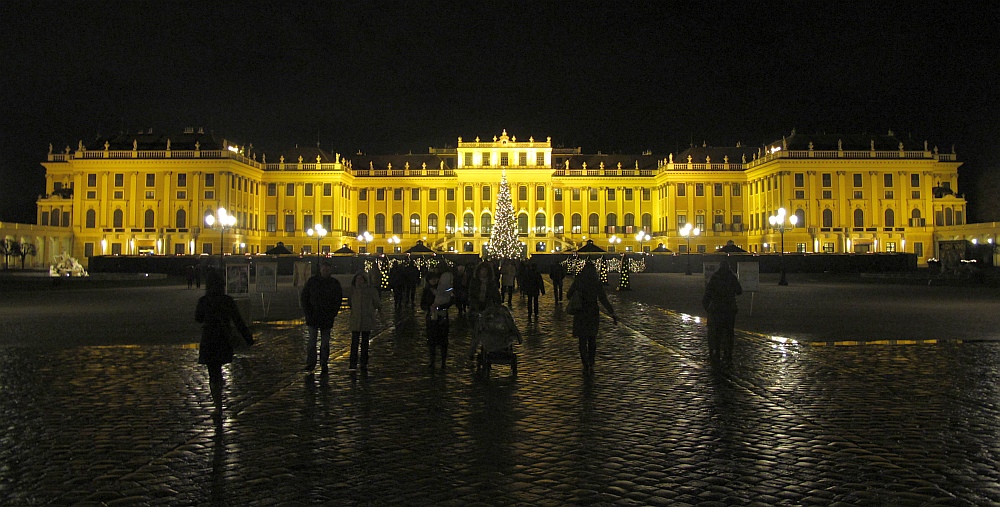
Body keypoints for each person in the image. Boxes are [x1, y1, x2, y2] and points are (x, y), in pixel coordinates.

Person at [196, 269, 253, 420]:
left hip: (209, 338)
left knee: (212, 372)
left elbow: (198, 318)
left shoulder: (204, 300)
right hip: (223, 338)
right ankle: (219, 397)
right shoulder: (227, 300)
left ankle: (217, 404)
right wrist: (248, 339)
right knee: (219, 368)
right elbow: (238, 321)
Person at [566, 261, 617, 375]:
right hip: (592, 311)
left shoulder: (579, 281)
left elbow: (568, 295)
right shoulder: (596, 282)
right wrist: (612, 312)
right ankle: (591, 361)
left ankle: (585, 362)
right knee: (592, 338)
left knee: (582, 340)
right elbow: (603, 298)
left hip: (580, 311)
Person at [300, 259, 343, 372]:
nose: (325, 271)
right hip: (313, 317)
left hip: (327, 318)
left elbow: (337, 300)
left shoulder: (334, 283)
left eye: (327, 269)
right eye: (323, 269)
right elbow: (304, 298)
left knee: (325, 343)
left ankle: (324, 362)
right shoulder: (312, 281)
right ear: (320, 269)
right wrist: (308, 313)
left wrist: (333, 314)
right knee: (311, 343)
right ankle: (311, 363)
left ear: (330, 270)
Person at [702, 261, 743, 366]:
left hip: (717, 309)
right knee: (729, 332)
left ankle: (716, 351)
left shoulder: (715, 277)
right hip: (730, 309)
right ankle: (728, 352)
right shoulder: (732, 277)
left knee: (717, 332)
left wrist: (707, 307)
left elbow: (708, 293)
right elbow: (739, 291)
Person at [420, 268, 453, 369]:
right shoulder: (427, 291)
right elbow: (423, 304)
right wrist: (429, 307)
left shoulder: (443, 289)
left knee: (443, 340)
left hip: (442, 317)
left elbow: (450, 301)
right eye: (432, 279)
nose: (434, 281)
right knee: (432, 340)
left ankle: (443, 361)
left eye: (435, 279)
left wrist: (440, 307)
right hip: (431, 317)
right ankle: (432, 361)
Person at [348, 271, 381, 371]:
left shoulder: (370, 291)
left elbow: (377, 303)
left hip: (367, 318)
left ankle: (364, 362)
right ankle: (353, 362)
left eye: (361, 279)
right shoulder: (353, 291)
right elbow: (350, 304)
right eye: (358, 279)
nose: (359, 281)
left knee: (365, 342)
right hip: (356, 319)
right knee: (354, 342)